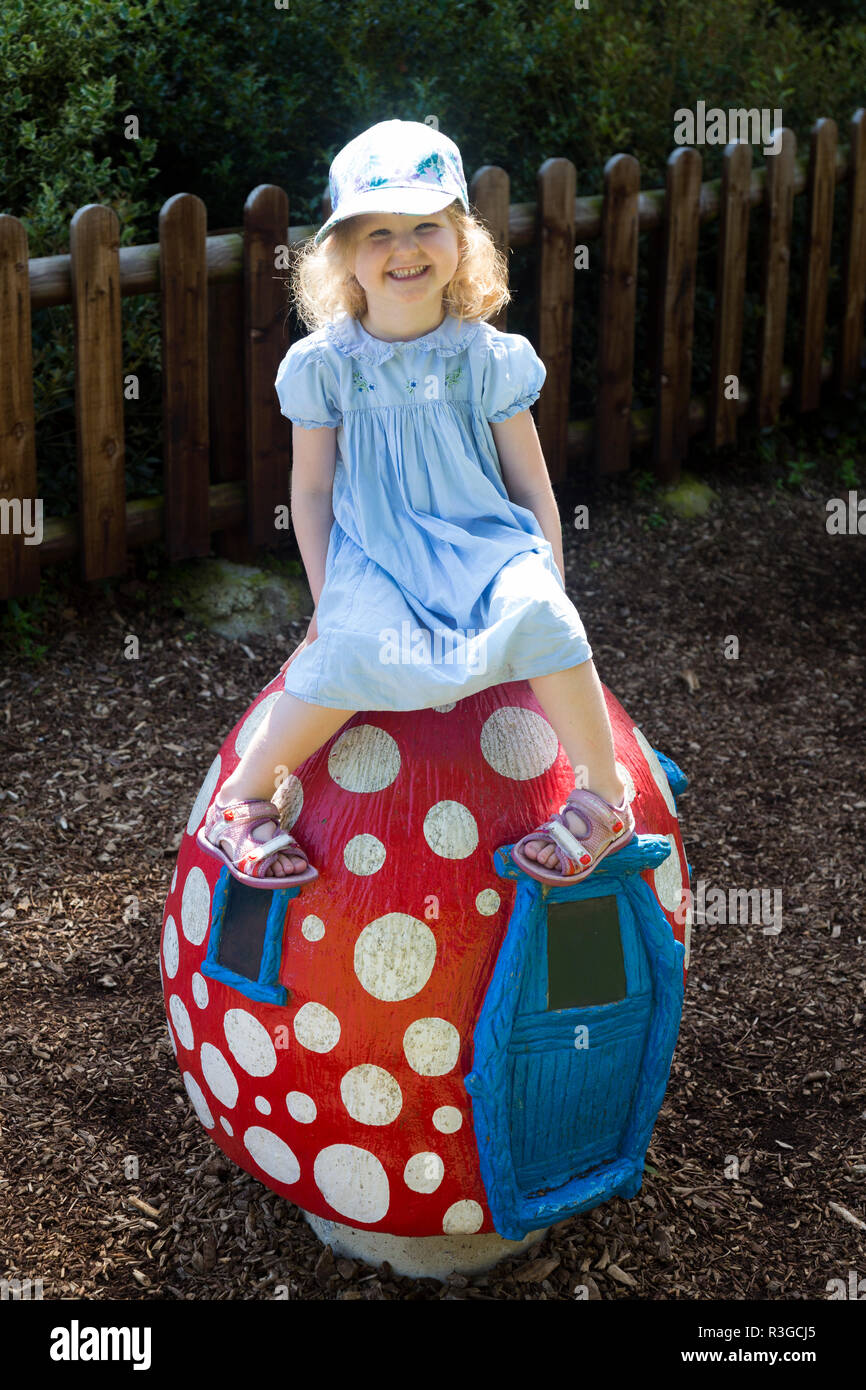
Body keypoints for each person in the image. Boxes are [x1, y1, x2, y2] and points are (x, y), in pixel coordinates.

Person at [198, 119, 634, 890]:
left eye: (426, 225)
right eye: (377, 232)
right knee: (352, 645)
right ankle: (245, 795)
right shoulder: (326, 368)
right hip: (377, 553)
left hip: (485, 543)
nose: (405, 249)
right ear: (343, 257)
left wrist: (550, 579)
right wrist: (328, 597)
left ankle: (604, 795)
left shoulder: (485, 357)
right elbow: (311, 489)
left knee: (544, 617)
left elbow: (530, 485)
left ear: (461, 239)